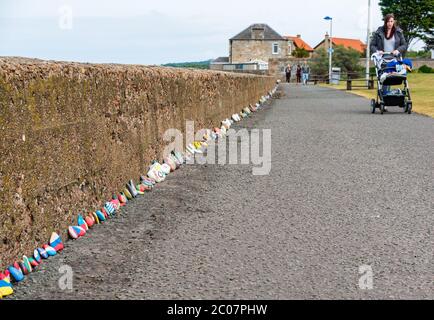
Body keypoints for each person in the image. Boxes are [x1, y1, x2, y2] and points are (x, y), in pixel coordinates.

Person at [370, 13, 408, 111]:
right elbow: (372, 46)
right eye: (388, 21)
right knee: (384, 78)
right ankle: (385, 99)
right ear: (385, 22)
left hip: (394, 59)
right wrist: (377, 51)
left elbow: (404, 45)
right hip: (382, 59)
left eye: (391, 21)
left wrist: (398, 50)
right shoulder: (379, 32)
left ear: (393, 22)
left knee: (392, 77)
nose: (390, 23)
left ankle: (393, 97)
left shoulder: (398, 32)